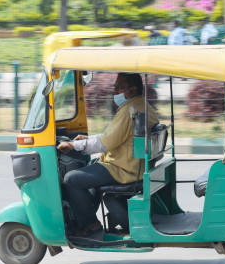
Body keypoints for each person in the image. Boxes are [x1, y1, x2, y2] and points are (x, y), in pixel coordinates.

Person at [57, 73, 158, 236]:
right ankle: (85, 218)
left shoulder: (128, 110)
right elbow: (113, 137)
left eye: (120, 86)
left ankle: (90, 223)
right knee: (91, 167)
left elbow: (106, 143)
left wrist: (72, 145)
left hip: (123, 168)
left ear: (132, 89)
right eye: (115, 86)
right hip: (131, 164)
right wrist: (88, 139)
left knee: (72, 179)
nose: (115, 90)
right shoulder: (141, 105)